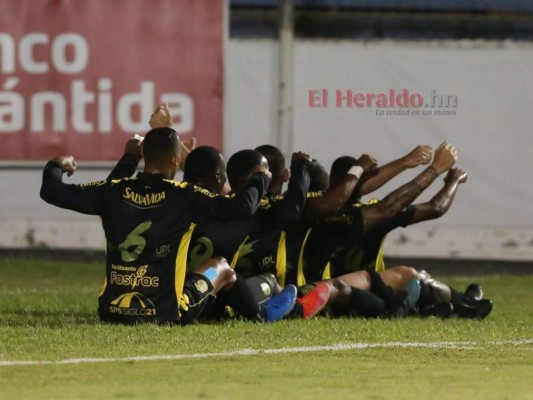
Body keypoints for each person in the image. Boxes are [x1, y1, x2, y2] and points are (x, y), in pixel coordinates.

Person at [40, 127, 278, 325]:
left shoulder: (112, 192)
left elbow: (52, 191)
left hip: (114, 311)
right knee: (222, 267)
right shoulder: (184, 196)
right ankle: (261, 315)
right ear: (176, 160)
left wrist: (57, 164)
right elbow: (241, 208)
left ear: (144, 155)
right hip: (165, 313)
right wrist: (260, 177)